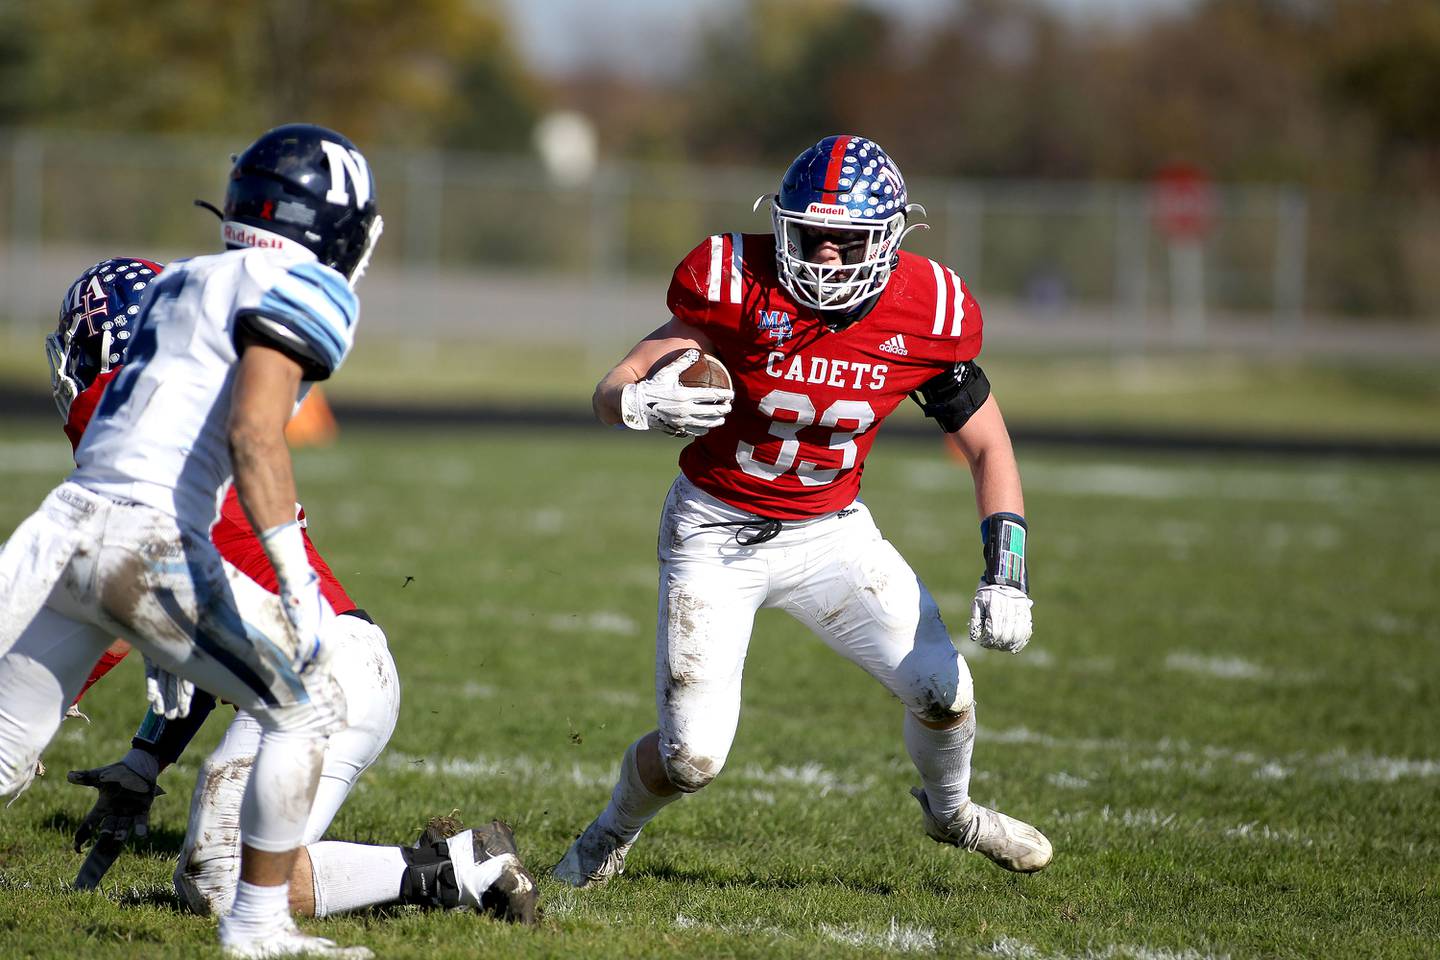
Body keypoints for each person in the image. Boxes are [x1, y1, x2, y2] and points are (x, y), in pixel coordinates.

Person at [554, 135, 1051, 888]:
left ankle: (952, 813)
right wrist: (636, 401)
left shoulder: (928, 311)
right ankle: (607, 835)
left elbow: (989, 448)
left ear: (888, 240)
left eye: (843, 239)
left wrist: (1007, 573)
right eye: (806, 234)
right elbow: (613, 382)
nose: (821, 257)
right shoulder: (735, 279)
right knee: (693, 758)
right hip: (715, 532)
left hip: (830, 536)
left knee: (947, 694)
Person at [45, 259, 536, 926]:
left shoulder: (118, 405)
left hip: (317, 677)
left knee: (219, 882)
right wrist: (145, 758)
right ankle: (456, 868)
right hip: (340, 669)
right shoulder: (203, 406)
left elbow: (106, 596)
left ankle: (461, 868)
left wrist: (40, 704)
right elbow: (199, 636)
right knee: (223, 878)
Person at [0, 123, 389, 959]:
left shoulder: (181, 280)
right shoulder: (307, 284)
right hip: (146, 541)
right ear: (337, 226)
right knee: (306, 699)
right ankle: (256, 927)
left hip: (62, 528)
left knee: (1, 743)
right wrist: (291, 580)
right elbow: (253, 436)